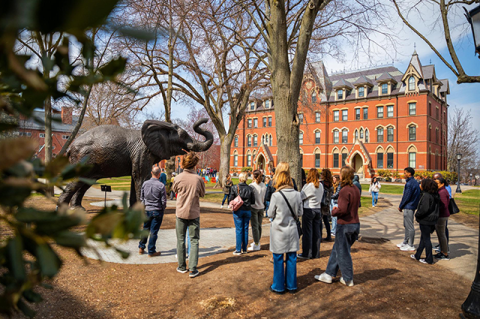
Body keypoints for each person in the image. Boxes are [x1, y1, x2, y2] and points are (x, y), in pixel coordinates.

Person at [315, 166, 360, 287]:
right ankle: (329, 274)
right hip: (354, 224)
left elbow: (343, 210)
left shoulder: (345, 190)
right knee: (337, 249)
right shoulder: (355, 188)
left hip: (345, 225)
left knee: (343, 252)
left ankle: (348, 278)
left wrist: (334, 211)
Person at [267, 171, 303, 294]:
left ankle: (278, 286)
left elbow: (270, 213)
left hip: (278, 231)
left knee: (278, 258)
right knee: (292, 257)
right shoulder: (297, 194)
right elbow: (300, 213)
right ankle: (291, 285)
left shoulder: (276, 196)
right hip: (292, 229)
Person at [172, 152, 205, 278]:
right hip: (193, 213)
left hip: (180, 212)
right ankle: (192, 269)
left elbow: (174, 190)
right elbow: (202, 194)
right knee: (194, 240)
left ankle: (181, 266)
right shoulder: (198, 179)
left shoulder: (178, 178)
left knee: (180, 240)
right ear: (194, 164)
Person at [138, 167, 167, 257]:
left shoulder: (145, 184)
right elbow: (163, 201)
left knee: (145, 229)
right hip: (157, 210)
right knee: (153, 231)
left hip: (147, 209)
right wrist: (162, 208)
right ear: (159, 174)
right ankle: (151, 250)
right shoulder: (161, 185)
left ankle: (141, 247)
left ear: (151, 173)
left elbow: (141, 197)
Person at [411, 179, 440, 264]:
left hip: (426, 220)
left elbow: (424, 209)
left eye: (422, 184)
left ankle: (429, 259)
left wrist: (417, 215)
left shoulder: (427, 196)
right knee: (423, 238)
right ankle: (417, 255)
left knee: (426, 239)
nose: (420, 185)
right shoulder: (435, 194)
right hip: (431, 219)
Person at [298, 169, 324, 259]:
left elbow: (301, 196)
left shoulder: (309, 186)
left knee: (307, 232)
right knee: (316, 232)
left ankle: (307, 253)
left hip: (309, 209)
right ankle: (316, 253)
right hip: (318, 209)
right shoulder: (320, 185)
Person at [229, 172, 255, 255]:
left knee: (239, 229)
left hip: (238, 210)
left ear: (239, 179)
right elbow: (253, 201)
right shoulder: (250, 188)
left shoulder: (234, 187)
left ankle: (238, 249)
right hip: (247, 210)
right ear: (246, 179)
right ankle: (244, 249)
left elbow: (230, 199)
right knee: (245, 229)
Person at [397, 167, 421, 252]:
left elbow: (406, 196)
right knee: (406, 225)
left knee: (409, 226)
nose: (404, 174)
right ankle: (405, 242)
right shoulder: (414, 182)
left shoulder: (410, 183)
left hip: (409, 206)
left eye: (405, 173)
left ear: (409, 173)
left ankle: (411, 245)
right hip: (410, 206)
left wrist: (401, 206)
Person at [249, 170, 267, 251]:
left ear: (254, 176)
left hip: (254, 207)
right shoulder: (264, 186)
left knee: (255, 226)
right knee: (259, 225)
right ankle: (257, 241)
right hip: (261, 207)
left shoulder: (251, 186)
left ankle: (256, 243)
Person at [433, 177, 450, 260]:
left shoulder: (442, 192)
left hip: (441, 216)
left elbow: (444, 205)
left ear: (442, 184)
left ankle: (445, 253)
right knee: (440, 234)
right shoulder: (440, 191)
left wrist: (435, 210)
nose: (435, 185)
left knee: (442, 234)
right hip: (440, 215)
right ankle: (442, 251)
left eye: (437, 183)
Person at [320, 169, 334, 242]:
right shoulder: (330, 183)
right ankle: (329, 235)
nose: (321, 175)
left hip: (322, 203)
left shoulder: (322, 183)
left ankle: (319, 236)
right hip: (327, 203)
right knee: (326, 220)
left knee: (320, 220)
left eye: (322, 173)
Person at [330, 175, 341, 239]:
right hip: (332, 200)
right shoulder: (332, 185)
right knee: (332, 216)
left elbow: (337, 194)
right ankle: (333, 229)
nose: (333, 180)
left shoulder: (339, 185)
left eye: (334, 178)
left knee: (335, 217)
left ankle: (334, 230)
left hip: (335, 201)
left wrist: (331, 196)